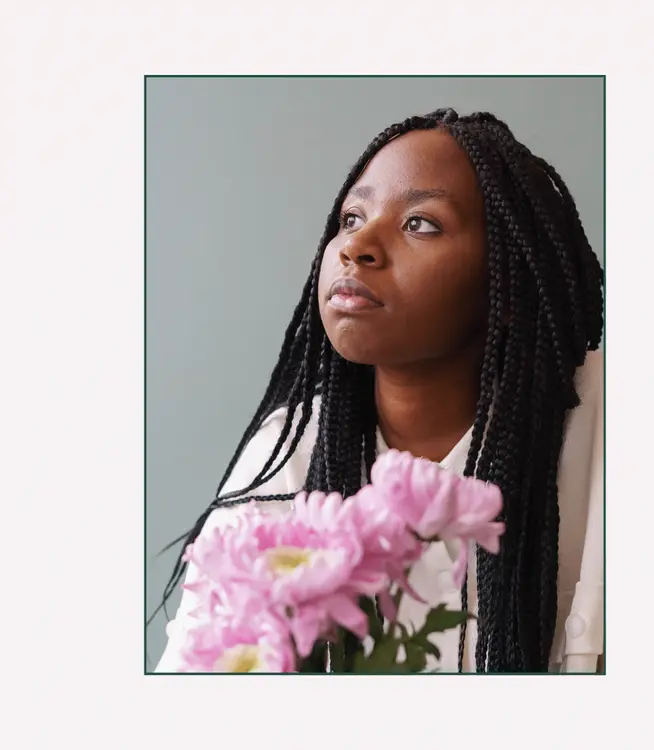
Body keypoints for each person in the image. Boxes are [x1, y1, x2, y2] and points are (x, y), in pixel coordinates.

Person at [151, 107, 604, 674]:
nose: (357, 245)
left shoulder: (612, 424)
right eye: (351, 217)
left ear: (508, 279)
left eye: (420, 223)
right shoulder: (287, 458)